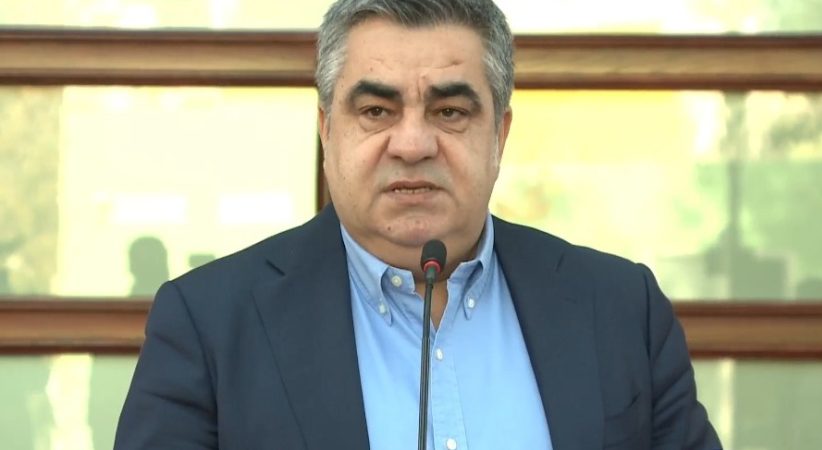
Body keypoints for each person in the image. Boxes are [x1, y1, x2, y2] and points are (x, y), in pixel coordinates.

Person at [114, 0, 722, 449]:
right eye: (376, 110)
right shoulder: (210, 325)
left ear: (500, 134)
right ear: (327, 131)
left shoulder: (619, 309)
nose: (411, 143)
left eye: (449, 111)